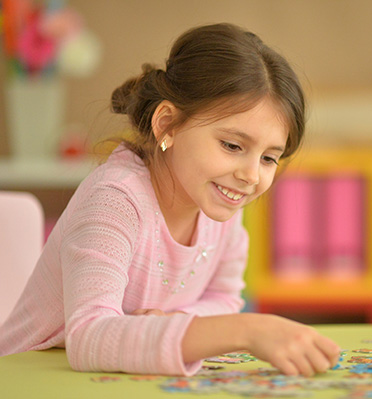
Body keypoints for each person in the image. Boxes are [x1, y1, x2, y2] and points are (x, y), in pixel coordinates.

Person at [0, 23, 340, 377]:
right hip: (26, 378)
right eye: (232, 146)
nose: (251, 176)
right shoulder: (115, 200)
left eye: (269, 158)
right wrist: (247, 331)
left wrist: (178, 322)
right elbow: (89, 336)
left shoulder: (219, 202)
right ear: (167, 125)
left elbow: (224, 299)